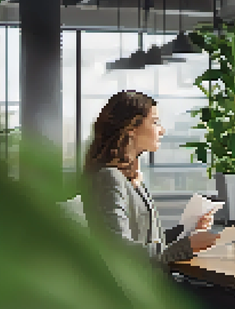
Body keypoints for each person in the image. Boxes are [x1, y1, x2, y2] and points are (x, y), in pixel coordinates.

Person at [81, 90, 219, 266]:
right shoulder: (110, 177)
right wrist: (186, 246)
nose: (162, 130)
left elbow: (149, 240)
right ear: (131, 128)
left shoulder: (131, 177)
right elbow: (116, 248)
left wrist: (189, 231)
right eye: (155, 122)